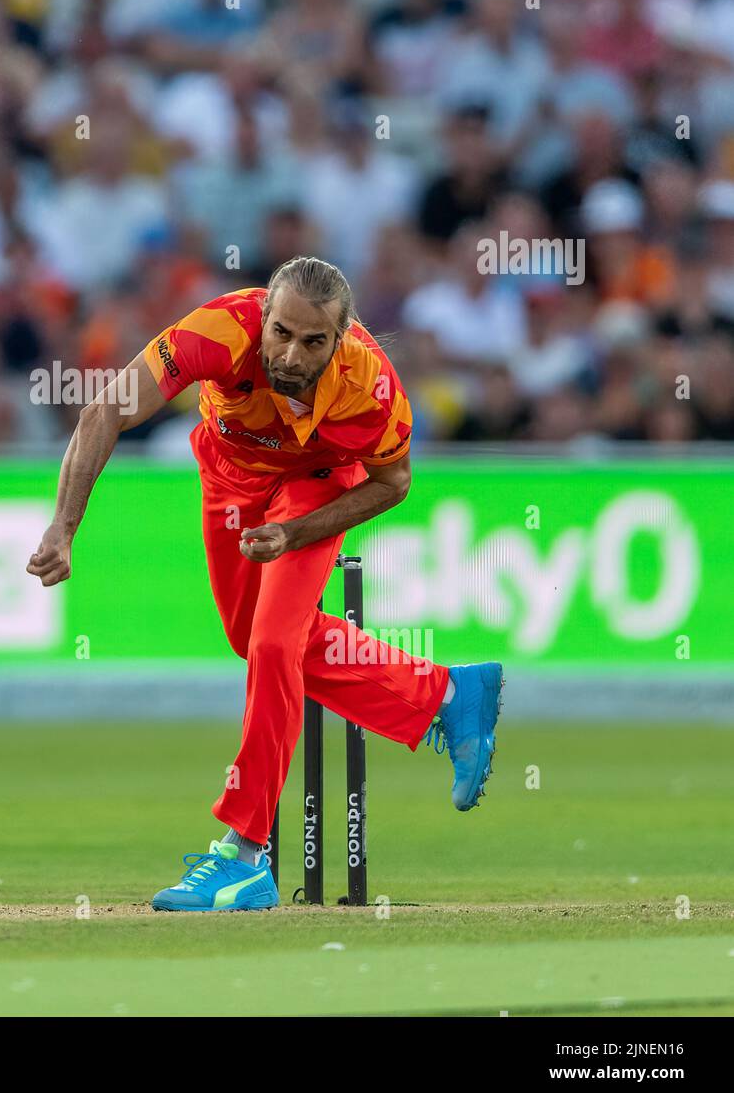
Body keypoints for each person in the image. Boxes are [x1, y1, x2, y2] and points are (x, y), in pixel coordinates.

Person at [26, 256, 503, 912]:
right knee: (252, 640)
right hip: (229, 478)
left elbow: (393, 483)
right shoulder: (220, 330)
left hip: (313, 488)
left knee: (276, 646)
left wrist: (299, 533)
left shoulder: (372, 388)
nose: (290, 353)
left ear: (342, 338)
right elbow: (106, 409)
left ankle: (244, 857)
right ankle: (445, 693)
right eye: (280, 332)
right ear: (264, 317)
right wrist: (62, 527)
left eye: (313, 342)